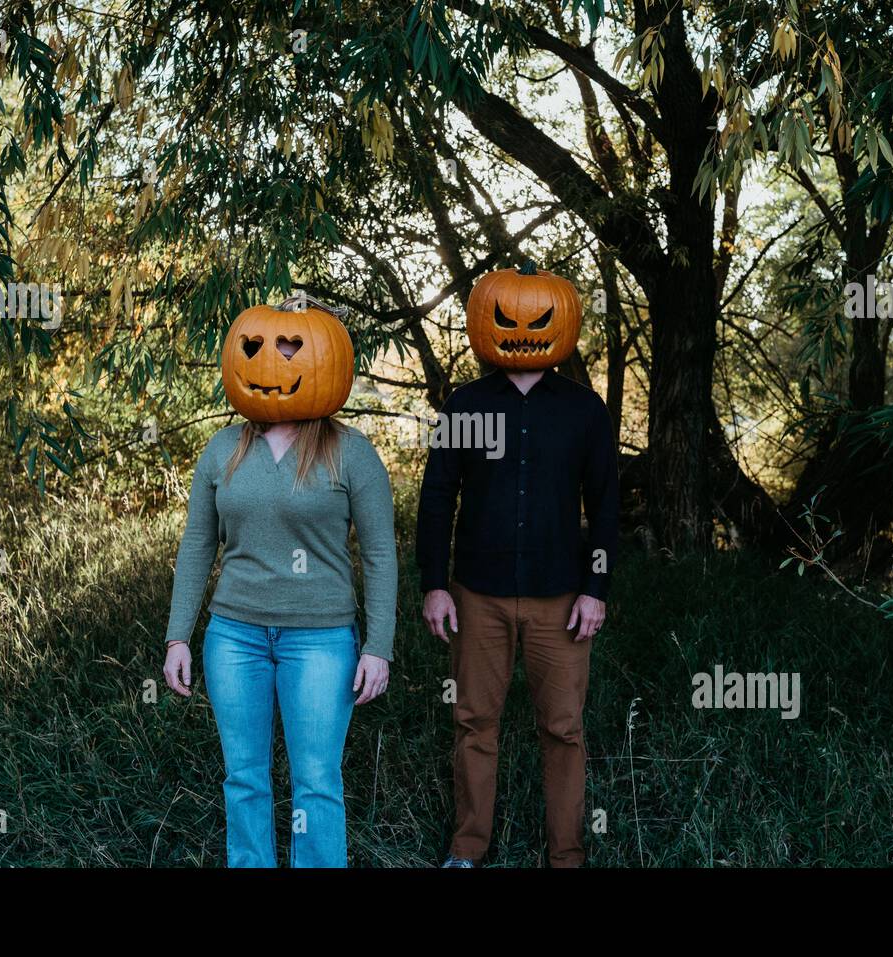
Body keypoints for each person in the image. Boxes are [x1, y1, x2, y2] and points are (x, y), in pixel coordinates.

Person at [163, 294, 396, 868]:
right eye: (260, 349)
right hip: (233, 636)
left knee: (316, 780)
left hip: (320, 640)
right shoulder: (223, 450)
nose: (275, 363)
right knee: (244, 778)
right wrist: (177, 636)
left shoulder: (352, 454)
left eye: (292, 350)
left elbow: (381, 555)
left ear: (325, 363)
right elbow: (197, 545)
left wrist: (379, 647)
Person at [416, 263, 618, 868]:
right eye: (506, 317)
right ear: (487, 321)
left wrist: (596, 588)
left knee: (563, 728)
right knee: (475, 723)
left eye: (537, 319)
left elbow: (604, 506)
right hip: (478, 594)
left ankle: (567, 856)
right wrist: (433, 585)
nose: (523, 331)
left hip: (562, 597)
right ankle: (468, 849)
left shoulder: (585, 411)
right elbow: (436, 499)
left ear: (561, 323)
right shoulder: (465, 405)